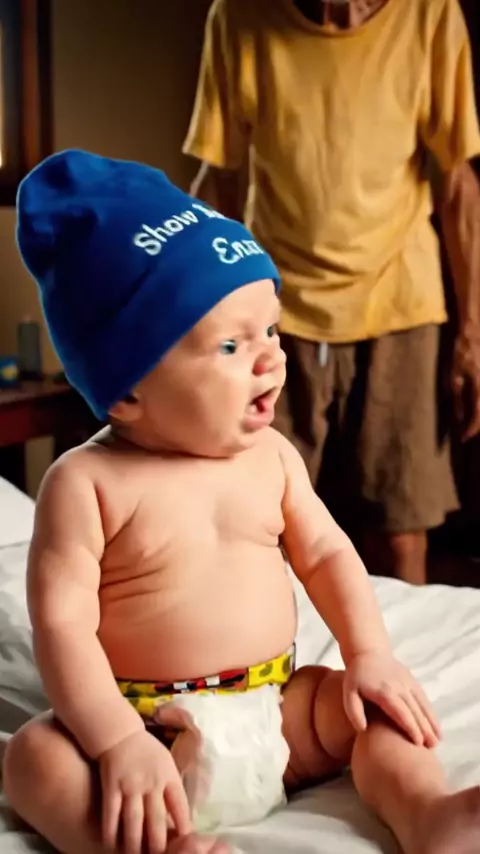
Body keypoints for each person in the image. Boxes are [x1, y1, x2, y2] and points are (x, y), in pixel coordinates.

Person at [3, 149, 480, 854]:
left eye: (272, 329)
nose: (270, 357)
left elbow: (327, 554)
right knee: (35, 759)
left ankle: (427, 813)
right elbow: (63, 625)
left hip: (278, 713)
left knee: (370, 708)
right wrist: (114, 740)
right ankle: (153, 847)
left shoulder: (271, 458)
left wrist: (369, 653)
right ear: (127, 389)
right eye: (230, 345)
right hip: (150, 735)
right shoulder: (86, 483)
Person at [183, 0, 480, 586]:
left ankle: (394, 648)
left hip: (400, 301)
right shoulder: (238, 17)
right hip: (276, 307)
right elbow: (216, 181)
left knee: (400, 526)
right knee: (261, 520)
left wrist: (472, 334)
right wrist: (196, 318)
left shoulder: (431, 15)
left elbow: (457, 187)